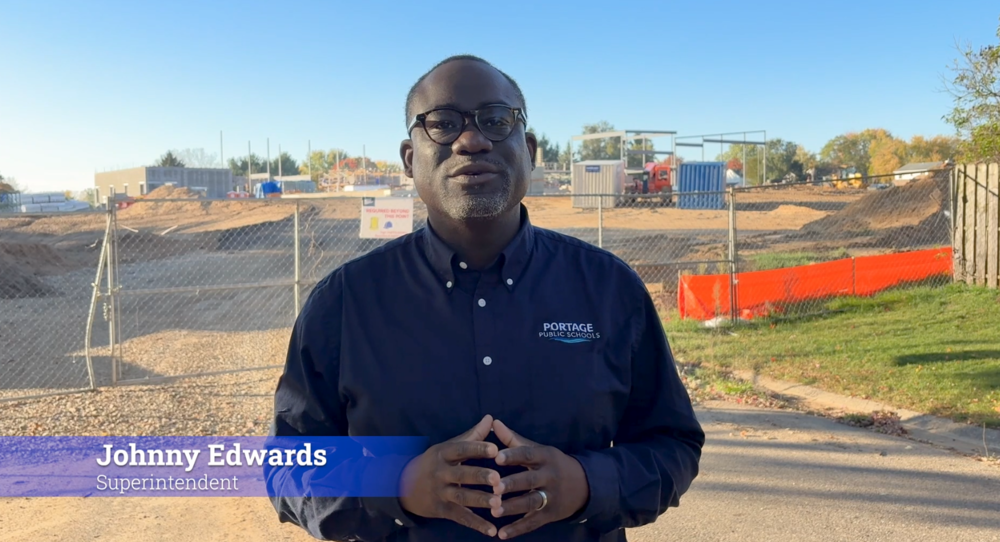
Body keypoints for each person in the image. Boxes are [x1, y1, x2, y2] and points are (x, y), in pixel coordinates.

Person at [267, 54, 705, 541]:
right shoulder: (344, 304)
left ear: (530, 150)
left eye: (496, 121)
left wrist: (586, 483)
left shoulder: (609, 290)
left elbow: (673, 444)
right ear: (410, 159)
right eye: (442, 123)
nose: (472, 140)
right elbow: (287, 467)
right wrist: (399, 484)